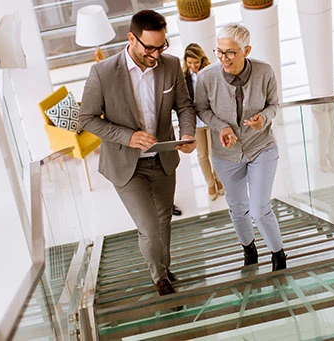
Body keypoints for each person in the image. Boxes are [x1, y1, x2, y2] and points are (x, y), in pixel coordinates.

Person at [78, 10, 196, 297]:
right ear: (132, 38)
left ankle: (164, 268)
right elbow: (87, 119)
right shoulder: (102, 73)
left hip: (163, 159)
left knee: (164, 219)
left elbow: (184, 107)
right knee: (149, 227)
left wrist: (187, 134)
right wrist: (128, 137)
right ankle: (159, 278)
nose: (156, 54)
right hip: (126, 166)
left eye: (161, 46)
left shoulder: (170, 65)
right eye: (150, 48)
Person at [195, 23, 287, 271]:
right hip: (226, 154)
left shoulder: (264, 71)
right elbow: (201, 109)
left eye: (230, 52)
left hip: (262, 148)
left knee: (259, 209)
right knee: (237, 209)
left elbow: (274, 104)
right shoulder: (206, 78)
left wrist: (264, 118)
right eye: (219, 52)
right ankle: (250, 250)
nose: (223, 58)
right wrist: (221, 127)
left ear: (247, 50)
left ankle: (278, 255)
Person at [182, 43, 224, 201]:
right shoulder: (183, 79)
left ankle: (218, 179)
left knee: (215, 153)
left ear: (202, 60)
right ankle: (210, 183)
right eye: (189, 63)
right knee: (202, 155)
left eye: (196, 62)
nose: (193, 66)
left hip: (211, 120)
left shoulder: (210, 74)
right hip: (196, 123)